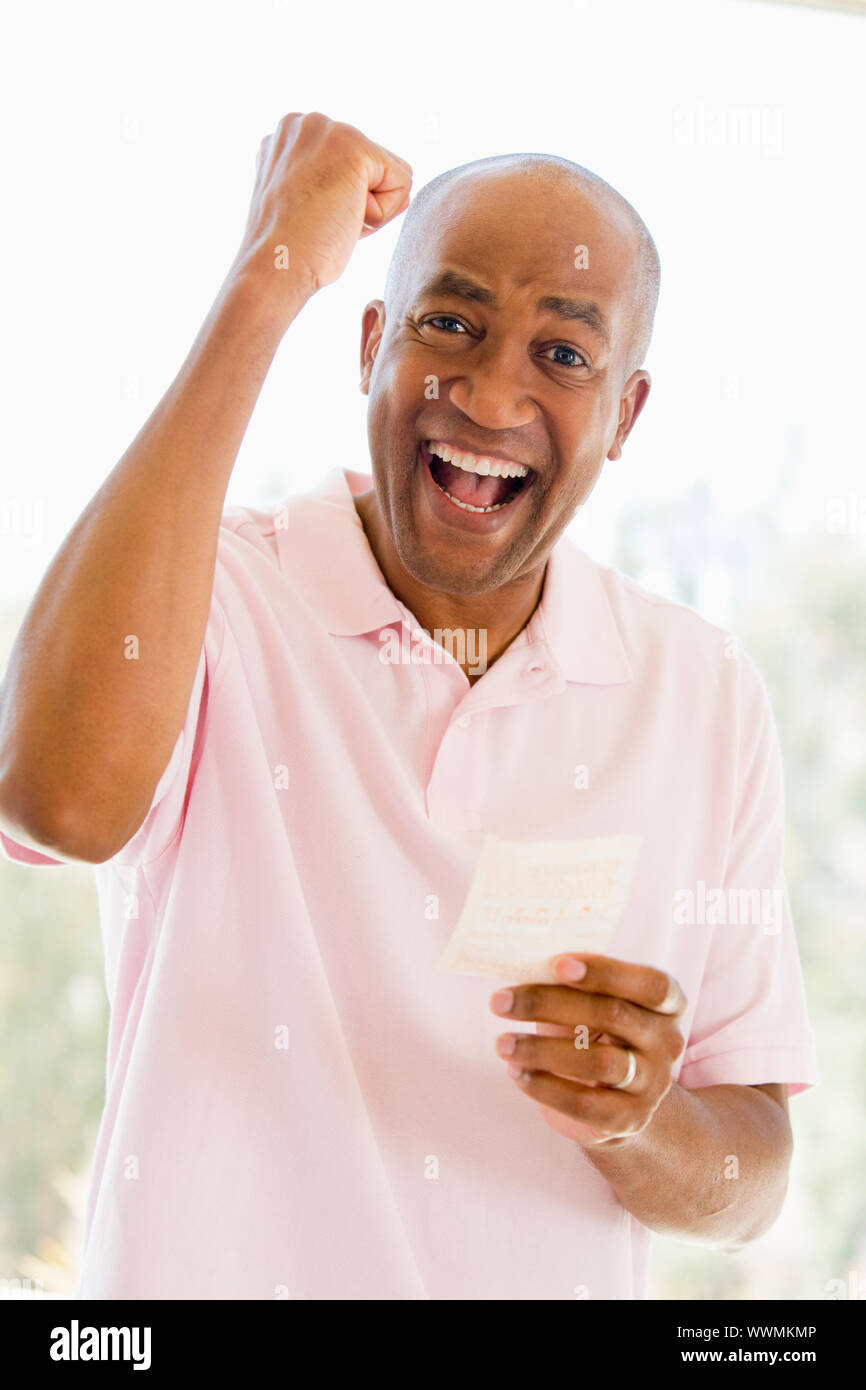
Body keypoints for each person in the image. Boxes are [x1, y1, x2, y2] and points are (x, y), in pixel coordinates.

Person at [0, 111, 818, 1300]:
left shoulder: (703, 692)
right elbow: (54, 798)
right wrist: (267, 273)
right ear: (372, 343)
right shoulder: (213, 590)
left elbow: (752, 1172)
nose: (488, 395)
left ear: (626, 416)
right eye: (450, 323)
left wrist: (643, 1118)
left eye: (563, 354)